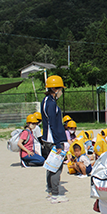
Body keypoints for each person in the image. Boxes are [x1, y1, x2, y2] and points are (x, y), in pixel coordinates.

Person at [41, 75, 69, 204]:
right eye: (60, 89)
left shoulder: (46, 100)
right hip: (53, 139)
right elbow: (52, 123)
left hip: (48, 138)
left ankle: (51, 190)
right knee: (56, 167)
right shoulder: (51, 103)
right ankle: (56, 194)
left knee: (51, 166)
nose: (61, 92)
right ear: (55, 89)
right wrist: (58, 143)